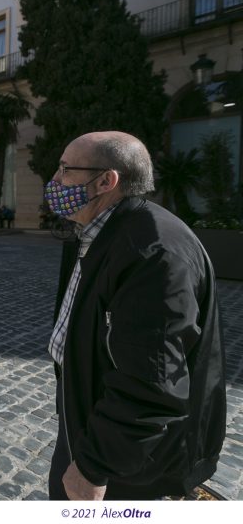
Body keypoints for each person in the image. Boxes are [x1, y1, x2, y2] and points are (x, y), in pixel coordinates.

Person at [45, 131, 226, 500]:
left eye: (65, 169)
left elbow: (151, 386)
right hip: (88, 419)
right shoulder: (94, 231)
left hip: (128, 465)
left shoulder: (153, 254)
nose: (55, 180)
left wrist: (94, 466)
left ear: (105, 181)